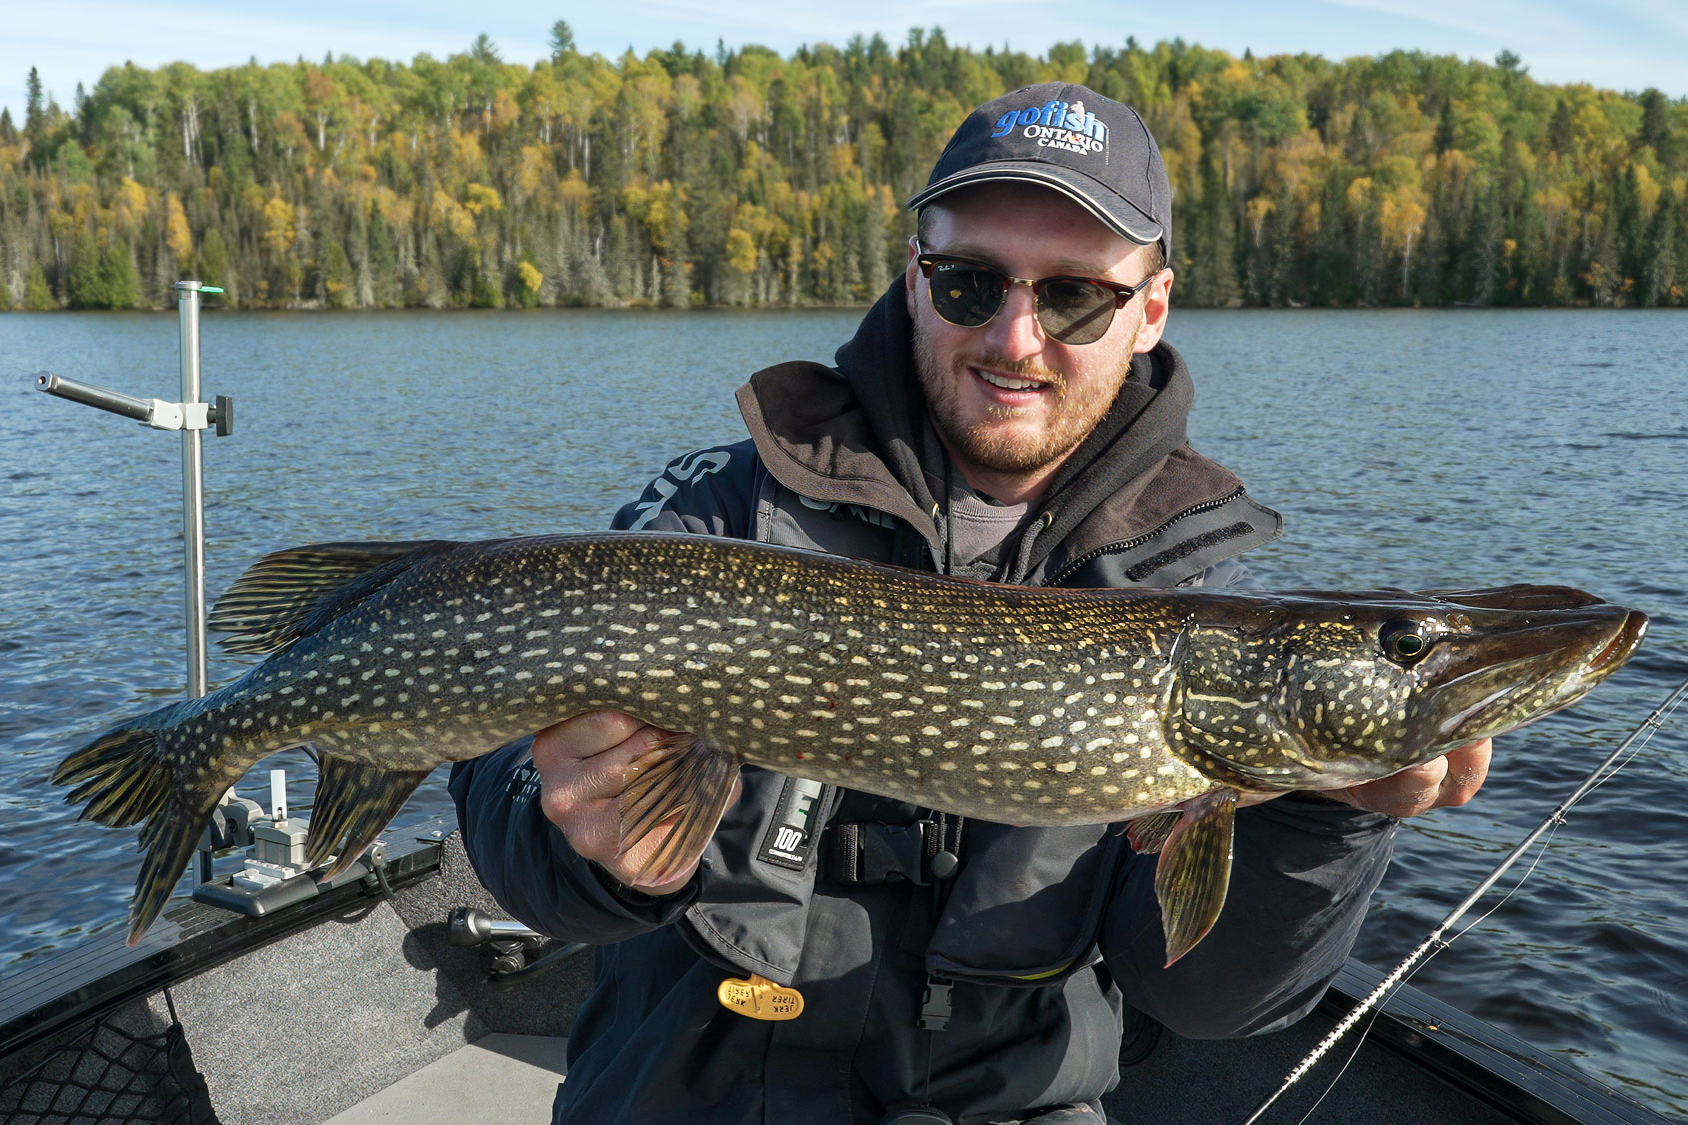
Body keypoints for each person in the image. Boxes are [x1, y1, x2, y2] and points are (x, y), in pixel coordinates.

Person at [449, 83, 1491, 1125]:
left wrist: (1324, 819)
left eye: (1075, 296)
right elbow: (493, 779)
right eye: (968, 283)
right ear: (914, 279)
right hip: (692, 1093)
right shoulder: (722, 513)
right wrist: (586, 848)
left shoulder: (1190, 588)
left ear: (1150, 312)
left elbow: (1209, 1001)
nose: (1015, 339)